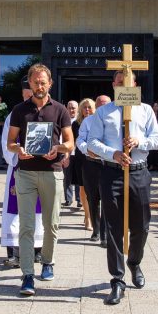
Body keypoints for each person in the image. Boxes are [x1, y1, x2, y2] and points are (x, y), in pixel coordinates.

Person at [87, 70, 158, 305]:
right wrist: (114, 153)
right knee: (113, 228)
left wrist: (140, 141)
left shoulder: (146, 109)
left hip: (139, 171)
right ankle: (117, 279)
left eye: (127, 82)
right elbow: (92, 142)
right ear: (113, 85)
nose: (123, 85)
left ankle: (134, 263)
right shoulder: (103, 112)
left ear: (135, 84)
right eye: (119, 82)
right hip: (112, 173)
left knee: (142, 226)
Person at [7, 63, 74, 296]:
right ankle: (27, 275)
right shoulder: (19, 110)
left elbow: (70, 143)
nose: (39, 85)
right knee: (26, 225)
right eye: (35, 82)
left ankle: (48, 261)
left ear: (50, 83)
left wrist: (57, 148)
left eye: (43, 82)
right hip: (25, 173)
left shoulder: (60, 110)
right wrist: (19, 150)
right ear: (30, 83)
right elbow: (10, 142)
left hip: (52, 171)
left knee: (51, 223)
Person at [0, 76, 44, 267]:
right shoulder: (15, 114)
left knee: (39, 211)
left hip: (41, 169)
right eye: (27, 94)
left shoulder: (46, 112)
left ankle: (37, 251)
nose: (30, 98)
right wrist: (17, 154)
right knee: (15, 211)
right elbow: (5, 142)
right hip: (19, 167)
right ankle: (14, 253)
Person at [77, 95, 111, 247]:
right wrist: (87, 150)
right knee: (93, 198)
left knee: (108, 199)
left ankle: (104, 233)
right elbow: (80, 139)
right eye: (100, 104)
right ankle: (96, 230)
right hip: (91, 164)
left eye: (106, 104)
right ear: (96, 106)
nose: (103, 106)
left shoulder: (116, 120)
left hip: (109, 165)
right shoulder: (88, 121)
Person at [72, 98, 95, 233]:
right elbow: (74, 141)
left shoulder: (98, 122)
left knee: (94, 190)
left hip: (95, 158)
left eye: (89, 107)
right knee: (83, 189)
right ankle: (88, 217)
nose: (87, 110)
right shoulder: (76, 124)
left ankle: (92, 214)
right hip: (81, 158)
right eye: (84, 107)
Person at [63, 100, 80, 207]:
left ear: (77, 109)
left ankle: (79, 200)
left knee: (79, 177)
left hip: (78, 154)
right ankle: (68, 199)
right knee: (67, 178)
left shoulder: (79, 122)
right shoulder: (63, 121)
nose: (71, 110)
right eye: (69, 107)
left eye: (73, 108)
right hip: (66, 153)